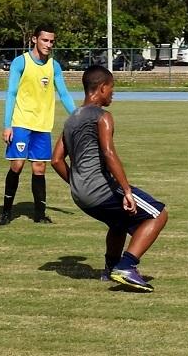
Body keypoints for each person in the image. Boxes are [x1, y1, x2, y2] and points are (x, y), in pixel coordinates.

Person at [51, 66, 168, 292]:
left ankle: (111, 268)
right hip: (101, 190)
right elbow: (108, 153)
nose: (113, 93)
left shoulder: (71, 119)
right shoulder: (103, 117)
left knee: (118, 222)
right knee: (158, 214)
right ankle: (126, 266)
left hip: (79, 196)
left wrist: (77, 183)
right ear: (102, 87)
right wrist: (126, 191)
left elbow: (56, 160)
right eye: (112, 88)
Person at [0, 24, 76, 225]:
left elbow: (64, 94)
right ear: (34, 39)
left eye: (51, 41)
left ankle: (40, 215)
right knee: (17, 164)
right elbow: (11, 93)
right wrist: (7, 125)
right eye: (45, 40)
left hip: (42, 125)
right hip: (21, 122)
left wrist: (78, 116)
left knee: (39, 168)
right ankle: (6, 212)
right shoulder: (20, 62)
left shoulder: (54, 66)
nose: (48, 44)